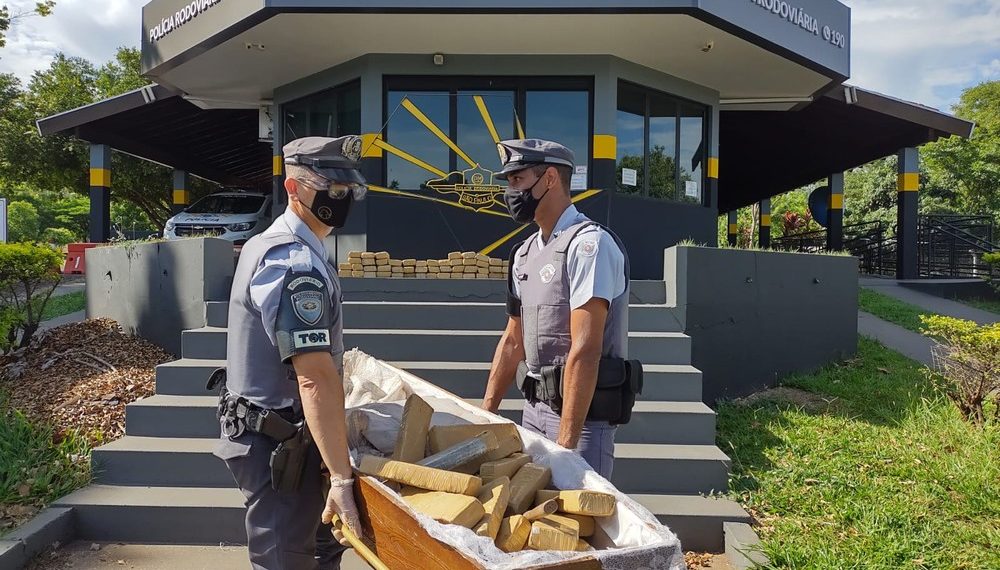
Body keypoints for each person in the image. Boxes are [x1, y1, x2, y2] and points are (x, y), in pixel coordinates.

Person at [212, 135, 366, 569]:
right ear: (293, 188)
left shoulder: (282, 247)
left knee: (317, 552)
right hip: (279, 447)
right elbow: (312, 376)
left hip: (288, 437)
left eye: (347, 190)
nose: (340, 198)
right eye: (329, 187)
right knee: (287, 559)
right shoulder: (292, 263)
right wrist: (341, 477)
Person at [481, 138, 637, 480]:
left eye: (518, 180)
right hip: (533, 412)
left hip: (580, 422)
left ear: (549, 179)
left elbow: (585, 349)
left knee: (579, 524)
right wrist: (486, 414)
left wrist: (566, 447)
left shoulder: (589, 246)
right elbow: (512, 340)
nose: (511, 191)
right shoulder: (523, 254)